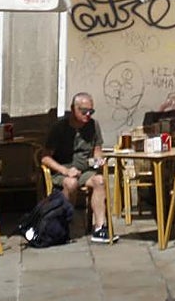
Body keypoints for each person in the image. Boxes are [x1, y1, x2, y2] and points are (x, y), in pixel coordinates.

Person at [39, 92, 115, 243]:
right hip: (63, 171)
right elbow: (45, 157)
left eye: (91, 111)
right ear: (73, 109)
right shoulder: (59, 128)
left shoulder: (93, 125)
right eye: (84, 111)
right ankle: (63, 225)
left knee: (100, 181)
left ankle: (100, 228)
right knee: (71, 183)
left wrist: (99, 161)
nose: (88, 115)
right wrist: (65, 171)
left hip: (85, 171)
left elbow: (97, 151)